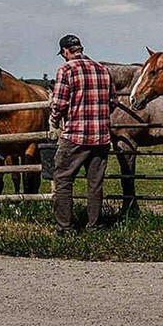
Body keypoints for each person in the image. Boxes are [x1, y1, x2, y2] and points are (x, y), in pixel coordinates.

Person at [49, 34, 115, 234]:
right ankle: (94, 225)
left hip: (75, 136)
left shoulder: (66, 69)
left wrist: (54, 119)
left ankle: (65, 227)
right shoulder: (103, 70)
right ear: (81, 49)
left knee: (63, 179)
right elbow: (113, 102)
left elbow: (60, 103)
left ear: (65, 52)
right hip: (101, 136)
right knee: (95, 183)